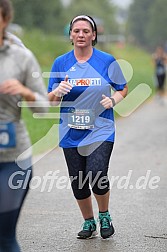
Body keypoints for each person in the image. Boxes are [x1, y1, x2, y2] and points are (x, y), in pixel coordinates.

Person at [48, 15, 128, 239]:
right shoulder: (61, 63)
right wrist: (57, 91)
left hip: (101, 130)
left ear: (93, 35)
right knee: (78, 181)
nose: (81, 35)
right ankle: (88, 222)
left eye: (85, 31)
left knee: (97, 173)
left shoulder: (106, 61)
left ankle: (104, 216)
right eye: (76, 31)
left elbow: (122, 88)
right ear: (70, 35)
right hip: (70, 132)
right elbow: (50, 101)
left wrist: (113, 101)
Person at [0, 0, 48, 251]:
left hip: (12, 159)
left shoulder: (21, 57)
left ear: (5, 20)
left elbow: (43, 108)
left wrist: (25, 92)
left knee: (4, 237)